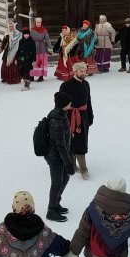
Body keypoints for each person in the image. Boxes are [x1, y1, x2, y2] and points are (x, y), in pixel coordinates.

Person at [44, 92, 75, 222]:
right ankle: (51, 210)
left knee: (65, 179)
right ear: (63, 105)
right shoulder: (56, 121)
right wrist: (69, 163)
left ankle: (56, 203)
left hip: (61, 155)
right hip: (55, 157)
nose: (71, 104)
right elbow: (60, 145)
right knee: (57, 183)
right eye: (69, 102)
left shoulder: (61, 115)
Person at [60, 62, 94, 179]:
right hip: (70, 117)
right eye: (81, 71)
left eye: (85, 71)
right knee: (71, 141)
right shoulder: (66, 85)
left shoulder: (86, 84)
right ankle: (77, 167)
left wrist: (90, 116)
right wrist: (62, 118)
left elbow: (88, 101)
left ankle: (79, 167)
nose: (84, 73)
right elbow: (61, 104)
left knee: (81, 142)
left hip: (83, 117)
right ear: (75, 72)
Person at [0, 21, 22, 85]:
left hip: (16, 50)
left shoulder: (18, 34)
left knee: (15, 64)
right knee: (6, 64)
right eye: (10, 26)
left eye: (12, 26)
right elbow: (4, 43)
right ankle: (6, 78)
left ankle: (15, 79)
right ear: (8, 27)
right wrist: (1, 49)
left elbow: (20, 42)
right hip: (8, 51)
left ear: (14, 26)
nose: (11, 27)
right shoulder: (7, 34)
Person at [29, 17, 52, 81]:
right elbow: (29, 39)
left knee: (41, 62)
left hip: (42, 48)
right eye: (37, 22)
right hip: (34, 48)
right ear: (35, 22)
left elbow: (47, 39)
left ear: (41, 22)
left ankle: (41, 76)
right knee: (33, 61)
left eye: (39, 22)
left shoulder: (44, 30)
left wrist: (50, 47)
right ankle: (32, 76)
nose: (38, 23)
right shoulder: (32, 30)